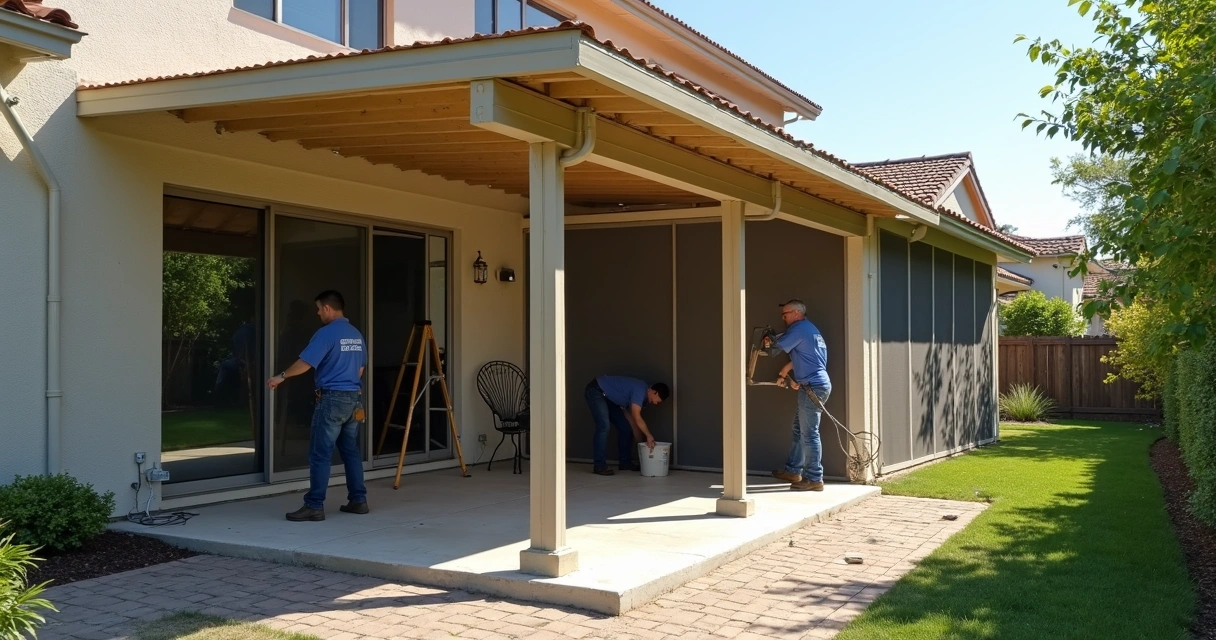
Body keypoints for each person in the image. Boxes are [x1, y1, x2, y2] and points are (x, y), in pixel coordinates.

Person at [268, 290, 369, 521]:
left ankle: (314, 505)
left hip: (332, 399)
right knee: (351, 452)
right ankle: (358, 500)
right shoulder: (355, 335)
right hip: (354, 398)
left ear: (327, 308)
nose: (317, 313)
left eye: (318, 308)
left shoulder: (327, 334)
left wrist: (280, 376)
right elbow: (360, 369)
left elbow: (305, 363)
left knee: (320, 454)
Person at [769, 299, 831, 492]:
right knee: (799, 429)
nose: (783, 317)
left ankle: (814, 478)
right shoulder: (810, 330)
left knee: (809, 433)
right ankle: (793, 470)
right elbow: (803, 359)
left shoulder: (798, 329)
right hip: (814, 384)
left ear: (796, 313)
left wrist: (768, 339)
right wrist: (785, 374)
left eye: (785, 314)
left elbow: (774, 349)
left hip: (812, 386)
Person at [584, 375, 669, 475]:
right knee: (604, 426)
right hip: (596, 390)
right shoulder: (640, 390)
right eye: (657, 401)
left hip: (609, 399)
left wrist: (641, 446)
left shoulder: (643, 399)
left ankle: (625, 463)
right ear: (655, 392)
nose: (655, 403)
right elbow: (637, 417)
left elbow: (633, 421)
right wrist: (649, 436)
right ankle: (599, 466)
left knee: (625, 428)